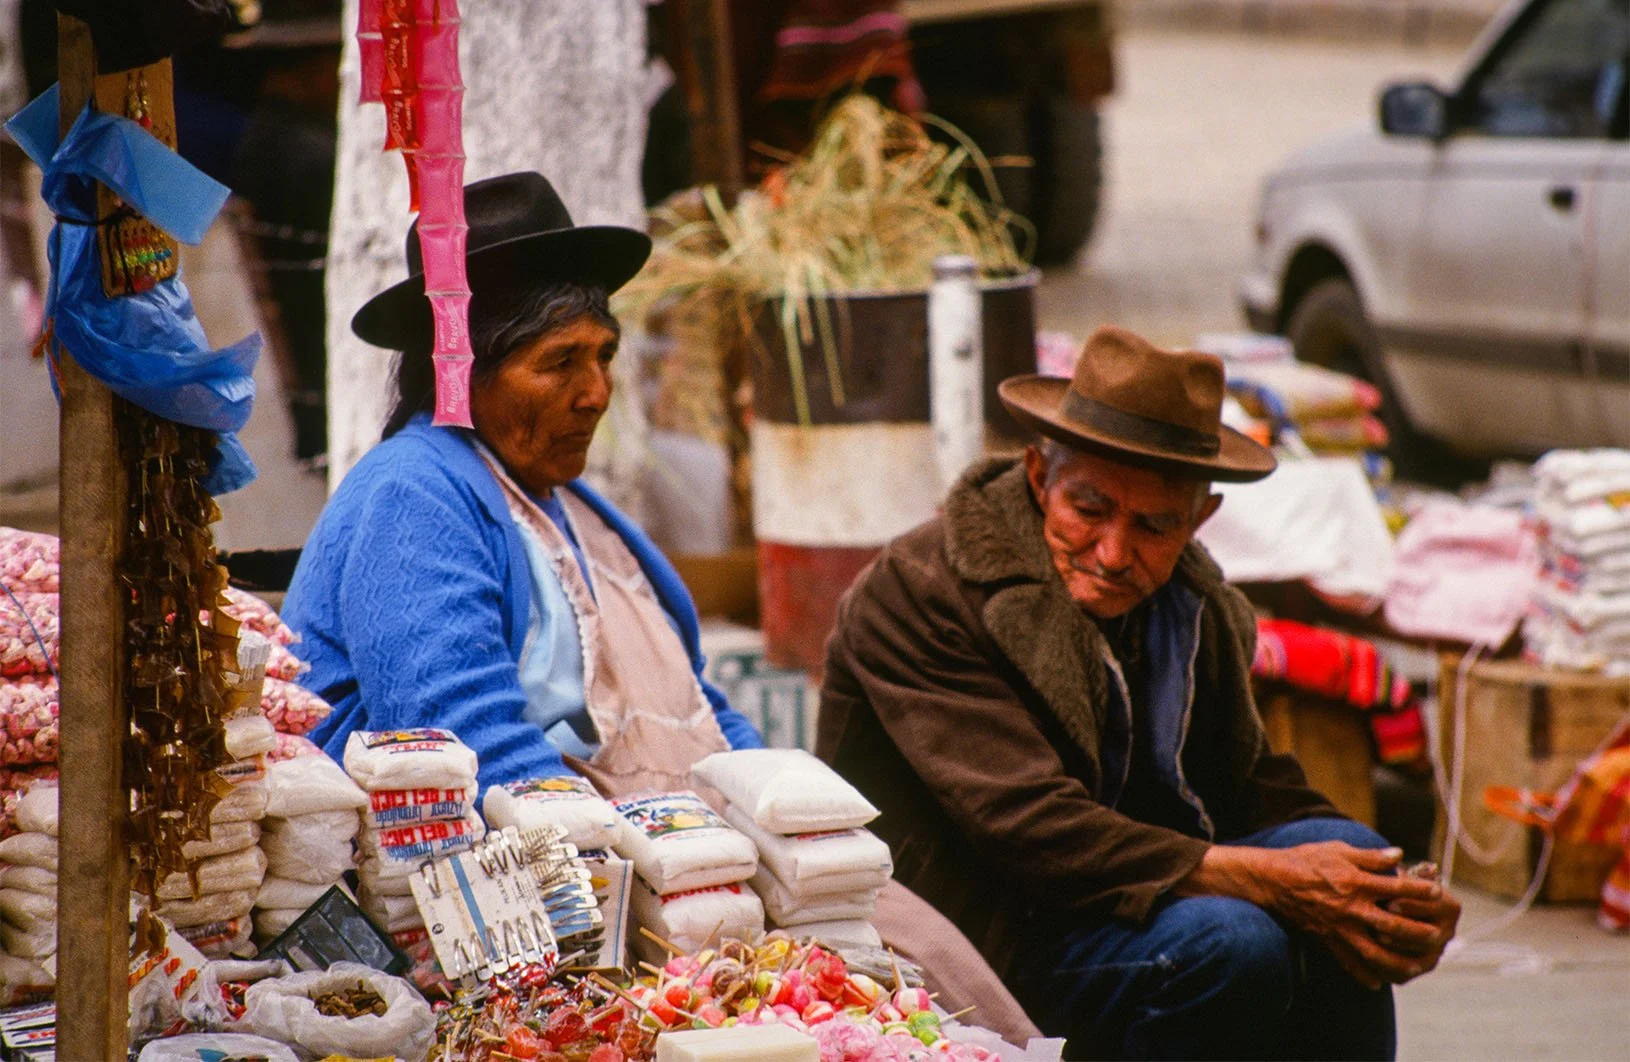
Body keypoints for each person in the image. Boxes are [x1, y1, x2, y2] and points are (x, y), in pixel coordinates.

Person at [817, 325, 1461, 1060]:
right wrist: (1272, 881)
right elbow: (1030, 826)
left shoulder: (1194, 602)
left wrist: (1388, 889)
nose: (1115, 552)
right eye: (1088, 509)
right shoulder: (923, 590)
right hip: (971, 933)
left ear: (1199, 520)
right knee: (1233, 940)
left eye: (1155, 525)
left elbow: (1245, 783)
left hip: (1117, 902)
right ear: (1038, 477)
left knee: (1353, 869)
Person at [282, 172, 763, 794]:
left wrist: (768, 805)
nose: (596, 394)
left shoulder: (573, 514)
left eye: (604, 356)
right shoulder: (412, 495)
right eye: (561, 362)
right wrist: (617, 856)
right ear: (460, 373)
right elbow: (460, 743)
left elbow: (699, 704)